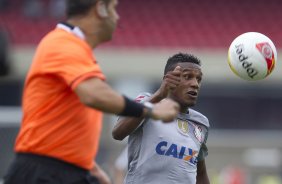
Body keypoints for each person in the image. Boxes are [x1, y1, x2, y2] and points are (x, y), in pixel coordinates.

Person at [3, 0, 180, 184]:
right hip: (44, 171)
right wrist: (152, 110)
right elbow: (94, 94)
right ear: (100, 8)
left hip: (65, 169)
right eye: (113, 9)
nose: (117, 17)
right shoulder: (63, 43)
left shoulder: (74, 48)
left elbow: (64, 121)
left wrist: (89, 167)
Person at [112, 53, 210, 184]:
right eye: (187, 77)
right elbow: (117, 133)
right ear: (168, 79)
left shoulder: (201, 123)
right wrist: (158, 95)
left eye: (198, 79)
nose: (195, 84)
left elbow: (200, 173)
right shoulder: (147, 103)